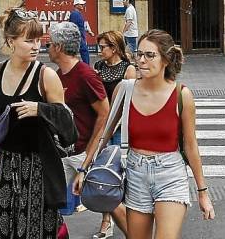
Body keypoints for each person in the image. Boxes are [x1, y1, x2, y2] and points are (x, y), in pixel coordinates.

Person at [90, 29, 215, 239]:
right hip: (136, 173)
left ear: (165, 60)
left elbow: (191, 145)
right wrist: (85, 168)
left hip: (170, 174)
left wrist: (203, 192)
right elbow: (105, 130)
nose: (142, 60)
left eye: (150, 55)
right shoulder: (126, 89)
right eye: (139, 54)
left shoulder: (181, 95)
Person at [0, 7, 75, 239]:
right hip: (4, 162)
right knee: (1, 225)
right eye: (29, 40)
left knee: (35, 229)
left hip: (38, 163)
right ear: (11, 41)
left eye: (39, 39)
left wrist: (40, 109)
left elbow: (68, 124)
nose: (36, 46)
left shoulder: (46, 75)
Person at [47, 22, 110, 217]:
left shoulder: (85, 75)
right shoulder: (58, 75)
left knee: (111, 204)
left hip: (82, 152)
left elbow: (104, 112)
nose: (46, 48)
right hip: (64, 152)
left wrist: (88, 156)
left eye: (49, 44)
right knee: (45, 199)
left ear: (59, 47)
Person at [91, 31, 136, 239]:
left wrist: (116, 124)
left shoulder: (128, 70)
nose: (100, 51)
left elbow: (130, 104)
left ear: (115, 48)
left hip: (120, 129)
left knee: (122, 176)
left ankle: (130, 220)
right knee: (104, 174)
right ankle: (106, 221)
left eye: (103, 47)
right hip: (103, 126)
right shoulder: (98, 67)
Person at [69, 0, 95, 64]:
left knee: (81, 52)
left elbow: (82, 25)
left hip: (80, 37)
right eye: (81, 4)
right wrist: (77, 37)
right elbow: (73, 27)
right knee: (84, 52)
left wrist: (89, 32)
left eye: (83, 4)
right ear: (76, 5)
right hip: (78, 37)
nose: (83, 5)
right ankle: (87, 67)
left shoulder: (78, 14)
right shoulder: (75, 14)